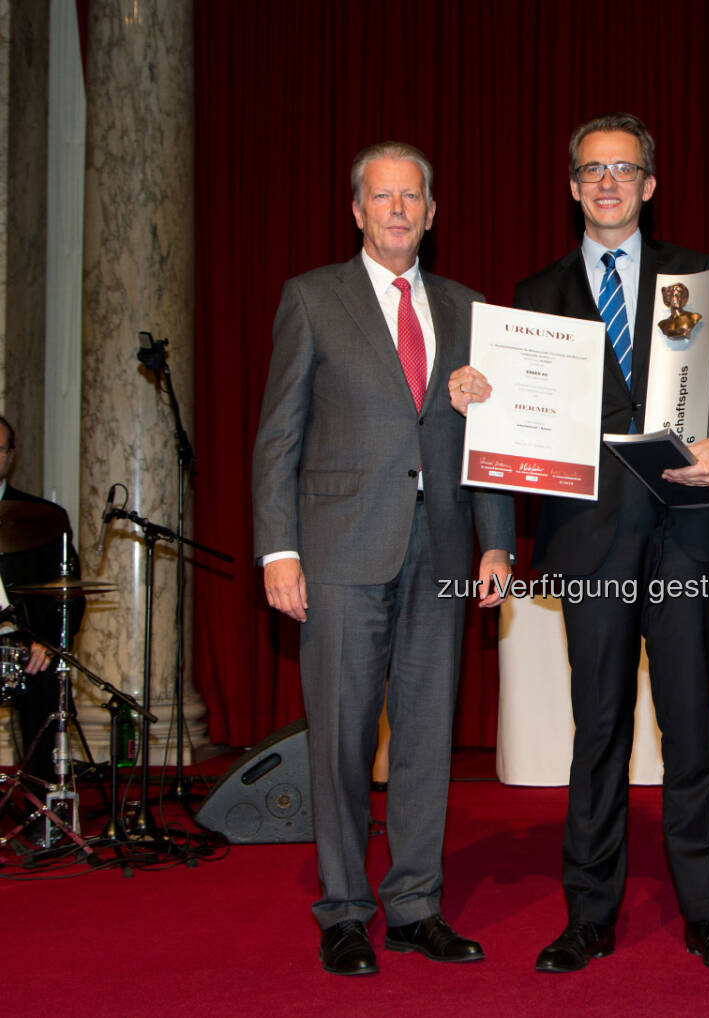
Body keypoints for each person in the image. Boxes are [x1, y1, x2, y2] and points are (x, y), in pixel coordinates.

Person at [449, 113, 709, 974]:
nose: (608, 183)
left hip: (685, 539)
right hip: (588, 543)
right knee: (598, 735)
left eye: (624, 169)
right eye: (592, 171)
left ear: (650, 185)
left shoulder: (693, 278)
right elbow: (509, 428)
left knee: (692, 734)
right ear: (573, 187)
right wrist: (478, 391)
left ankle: (705, 915)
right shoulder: (529, 298)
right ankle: (589, 915)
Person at [252, 141, 514, 976]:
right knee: (340, 737)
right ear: (358, 211)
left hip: (441, 548)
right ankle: (342, 910)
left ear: (433, 214)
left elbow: (495, 441)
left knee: (427, 739)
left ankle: (413, 906)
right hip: (336, 551)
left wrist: (497, 542)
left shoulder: (473, 311)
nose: (399, 210)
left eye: (413, 198)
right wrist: (277, 549)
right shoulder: (312, 299)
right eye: (383, 197)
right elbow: (278, 436)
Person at [0, 414, 76, 787]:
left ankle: (42, 802)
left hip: (24, 643)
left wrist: (48, 642)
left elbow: (69, 596)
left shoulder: (43, 518)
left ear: (10, 456)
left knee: (45, 677)